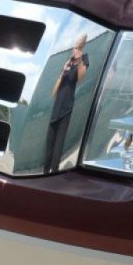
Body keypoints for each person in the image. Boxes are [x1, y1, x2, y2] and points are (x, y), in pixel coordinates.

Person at [44, 35, 89, 173]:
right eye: (74, 47)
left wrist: (80, 61)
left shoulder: (84, 58)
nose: (75, 49)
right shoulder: (68, 63)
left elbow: (80, 78)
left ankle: (54, 172)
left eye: (78, 47)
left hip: (66, 108)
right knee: (49, 143)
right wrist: (63, 72)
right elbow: (54, 93)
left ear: (82, 46)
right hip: (56, 106)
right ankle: (45, 171)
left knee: (59, 143)